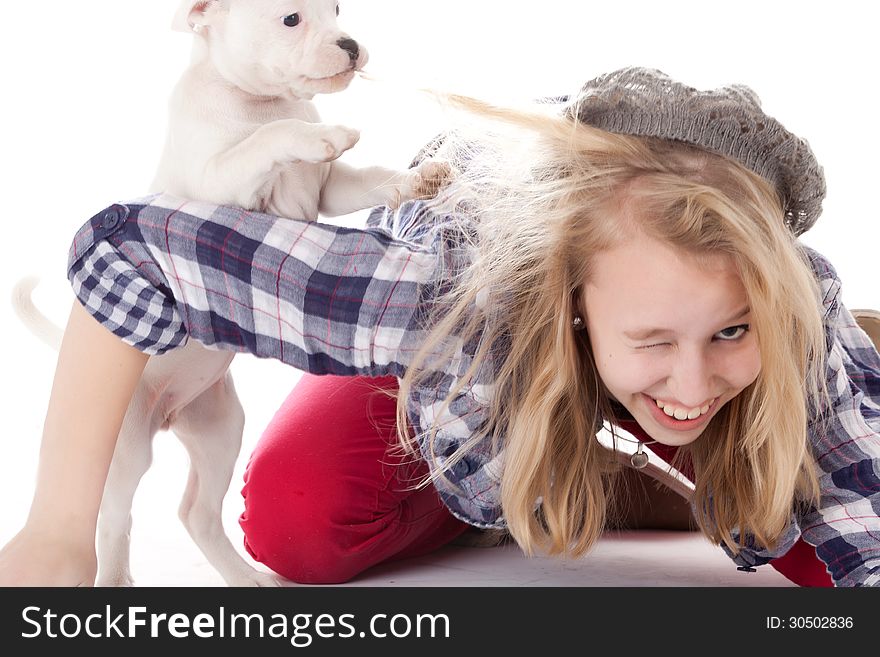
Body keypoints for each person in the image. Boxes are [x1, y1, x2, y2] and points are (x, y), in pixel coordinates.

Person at [1, 67, 878, 587]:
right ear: (571, 297)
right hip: (468, 354)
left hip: (712, 384)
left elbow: (860, 538)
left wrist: (730, 359)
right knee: (300, 521)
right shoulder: (441, 293)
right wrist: (56, 529)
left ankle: (623, 454)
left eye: (730, 330)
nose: (690, 383)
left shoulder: (798, 312)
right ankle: (556, 459)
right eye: (653, 339)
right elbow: (135, 252)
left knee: (811, 537)